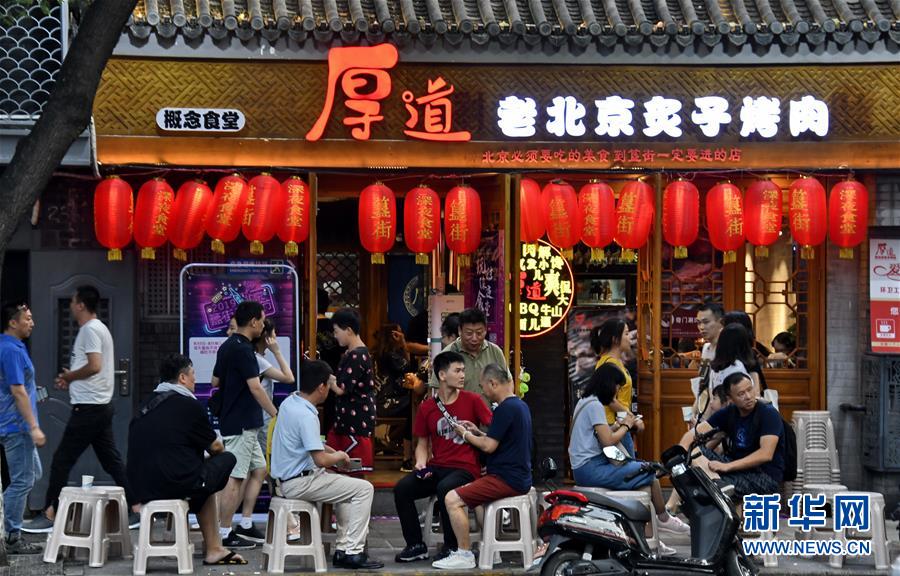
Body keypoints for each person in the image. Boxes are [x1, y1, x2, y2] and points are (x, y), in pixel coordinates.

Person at [26, 285, 137, 533]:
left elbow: (95, 365)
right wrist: (72, 379)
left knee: (61, 460)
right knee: (111, 460)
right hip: (97, 405)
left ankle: (50, 512)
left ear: (81, 305)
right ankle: (137, 506)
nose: (70, 306)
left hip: (89, 408)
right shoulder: (98, 329)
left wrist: (71, 376)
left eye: (73, 301)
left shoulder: (90, 330)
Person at [127, 354, 246, 566]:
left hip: (142, 488)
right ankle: (214, 548)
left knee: (202, 477)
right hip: (176, 484)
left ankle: (213, 547)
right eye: (193, 374)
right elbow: (216, 447)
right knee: (226, 459)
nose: (195, 380)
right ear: (182, 378)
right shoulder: (188, 405)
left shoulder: (146, 404)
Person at [271, 360, 383, 569]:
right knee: (364, 489)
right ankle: (353, 552)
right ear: (321, 387)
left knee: (348, 489)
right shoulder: (306, 415)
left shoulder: (290, 402)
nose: (331, 389)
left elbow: (311, 444)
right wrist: (339, 455)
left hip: (287, 479)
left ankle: (343, 549)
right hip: (300, 482)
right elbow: (320, 460)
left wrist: (333, 452)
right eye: (329, 384)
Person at [567, 364, 688, 555]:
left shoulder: (585, 401)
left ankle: (648, 540)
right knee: (648, 471)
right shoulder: (595, 405)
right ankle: (663, 519)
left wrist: (616, 426)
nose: (616, 392)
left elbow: (599, 434)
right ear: (608, 384)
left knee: (645, 486)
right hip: (591, 468)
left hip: (585, 467)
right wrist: (627, 425)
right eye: (617, 386)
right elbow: (607, 441)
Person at [392, 351, 493, 563]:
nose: (463, 375)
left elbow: (493, 429)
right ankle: (415, 545)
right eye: (458, 371)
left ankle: (452, 547)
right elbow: (422, 444)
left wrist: (480, 439)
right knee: (402, 489)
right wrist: (420, 463)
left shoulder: (473, 400)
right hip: (437, 466)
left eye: (463, 370)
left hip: (466, 469)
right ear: (442, 375)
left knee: (445, 488)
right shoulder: (427, 407)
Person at [435, 364, 531, 570]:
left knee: (451, 499)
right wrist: (477, 432)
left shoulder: (505, 408)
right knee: (476, 502)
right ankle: (490, 552)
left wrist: (464, 434)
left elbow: (488, 446)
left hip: (506, 479)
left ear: (493, 383)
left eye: (483, 386)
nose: (483, 392)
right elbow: (500, 440)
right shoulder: (520, 406)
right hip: (517, 476)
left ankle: (464, 554)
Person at [211, 301, 276, 549]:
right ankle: (223, 531)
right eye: (262, 320)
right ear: (253, 322)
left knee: (259, 469)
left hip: (238, 421)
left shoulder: (227, 346)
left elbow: (215, 381)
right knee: (236, 477)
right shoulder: (244, 350)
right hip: (242, 423)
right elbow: (256, 388)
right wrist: (276, 414)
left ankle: (245, 523)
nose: (263, 325)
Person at [232, 318, 295, 543]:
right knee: (268, 472)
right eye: (273, 335)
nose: (275, 339)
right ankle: (288, 523)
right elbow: (289, 377)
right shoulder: (257, 360)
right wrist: (277, 351)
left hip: (258, 423)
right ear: (265, 337)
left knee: (259, 472)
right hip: (262, 424)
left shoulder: (254, 358)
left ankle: (243, 522)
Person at [679, 372, 785, 497]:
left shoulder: (768, 413)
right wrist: (679, 457)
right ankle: (716, 483)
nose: (748, 396)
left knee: (704, 485)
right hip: (738, 468)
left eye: (750, 390)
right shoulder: (728, 412)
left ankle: (717, 484)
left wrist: (727, 466)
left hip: (764, 476)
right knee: (694, 451)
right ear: (730, 398)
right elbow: (692, 435)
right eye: (741, 394)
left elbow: (765, 454)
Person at [0, 302, 45, 553]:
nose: (32, 323)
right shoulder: (11, 350)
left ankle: (10, 526)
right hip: (17, 426)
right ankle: (11, 536)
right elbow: (17, 391)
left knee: (31, 475)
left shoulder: (12, 346)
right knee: (22, 481)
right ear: (12, 322)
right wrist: (34, 426)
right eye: (27, 319)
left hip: (15, 423)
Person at [327, 307, 377, 474]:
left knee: (352, 469)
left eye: (336, 331)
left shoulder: (356, 355)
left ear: (348, 330)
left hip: (354, 421)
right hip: (350, 419)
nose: (335, 336)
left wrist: (327, 378)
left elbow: (341, 389)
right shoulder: (356, 353)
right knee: (342, 467)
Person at [428, 308, 507, 404]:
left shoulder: (495, 352)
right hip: (457, 413)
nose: (474, 338)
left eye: (479, 333)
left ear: (485, 331)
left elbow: (507, 384)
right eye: (469, 333)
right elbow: (437, 392)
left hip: (489, 412)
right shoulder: (446, 355)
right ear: (460, 331)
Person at [590, 318, 642, 457]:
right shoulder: (609, 364)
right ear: (615, 339)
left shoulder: (614, 362)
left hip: (618, 424)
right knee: (629, 468)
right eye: (626, 333)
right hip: (613, 425)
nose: (630, 338)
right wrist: (633, 418)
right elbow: (610, 400)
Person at [372, 324, 415, 471]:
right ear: (393, 336)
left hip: (380, 401)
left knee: (412, 408)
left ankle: (390, 442)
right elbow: (408, 368)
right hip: (388, 403)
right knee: (415, 409)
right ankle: (407, 456)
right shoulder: (391, 356)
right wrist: (403, 343)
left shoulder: (379, 353)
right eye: (399, 333)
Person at [704, 324, 760, 418]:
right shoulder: (738, 366)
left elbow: (711, 395)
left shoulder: (715, 367)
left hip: (718, 415)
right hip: (736, 416)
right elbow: (747, 396)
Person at [721, 311, 767, 392]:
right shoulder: (724, 352)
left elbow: (756, 390)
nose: (721, 330)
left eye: (724, 326)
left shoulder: (747, 354)